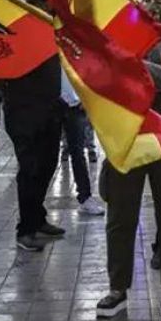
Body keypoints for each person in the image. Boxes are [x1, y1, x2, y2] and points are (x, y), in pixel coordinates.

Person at [96, 0, 161, 318]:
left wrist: (136, 67)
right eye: (148, 1)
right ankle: (117, 288)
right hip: (127, 135)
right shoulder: (122, 39)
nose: (153, 6)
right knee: (120, 217)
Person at [0, 0, 67, 251]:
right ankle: (25, 230)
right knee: (30, 170)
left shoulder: (52, 31)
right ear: (38, 4)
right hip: (24, 113)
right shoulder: (17, 32)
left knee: (47, 166)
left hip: (50, 111)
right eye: (49, 4)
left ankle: (37, 219)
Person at [59, 69, 105, 217]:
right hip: (51, 104)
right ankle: (34, 204)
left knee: (77, 152)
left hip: (75, 105)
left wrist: (86, 97)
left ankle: (85, 197)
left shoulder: (74, 48)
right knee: (46, 154)